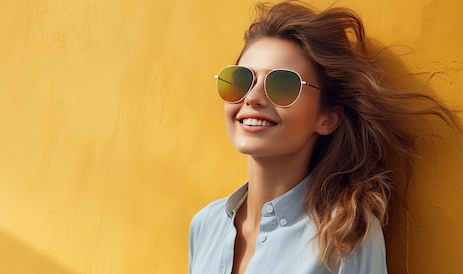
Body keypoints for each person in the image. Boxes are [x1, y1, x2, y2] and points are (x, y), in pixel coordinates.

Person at [188, 1, 457, 273]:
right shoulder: (204, 225)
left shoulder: (346, 235)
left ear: (327, 118)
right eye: (240, 80)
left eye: (282, 84)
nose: (253, 97)